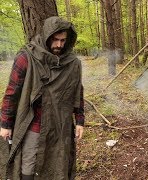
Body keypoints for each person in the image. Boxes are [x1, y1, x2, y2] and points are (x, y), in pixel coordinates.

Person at [0, 16, 85, 180]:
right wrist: (5, 124)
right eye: (55, 40)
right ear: (47, 36)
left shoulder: (72, 63)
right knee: (29, 164)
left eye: (63, 40)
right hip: (34, 123)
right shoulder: (26, 57)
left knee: (58, 162)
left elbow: (77, 91)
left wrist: (80, 120)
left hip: (60, 123)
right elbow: (12, 93)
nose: (59, 45)